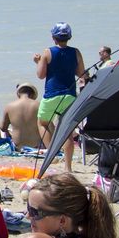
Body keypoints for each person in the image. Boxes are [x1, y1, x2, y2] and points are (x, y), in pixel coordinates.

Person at [35, 23, 86, 170]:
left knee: (42, 123)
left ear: (53, 37)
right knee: (67, 131)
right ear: (69, 37)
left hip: (52, 94)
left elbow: (40, 75)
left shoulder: (47, 52)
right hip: (69, 95)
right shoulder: (76, 52)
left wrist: (38, 62)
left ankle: (51, 151)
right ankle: (68, 167)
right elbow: (81, 73)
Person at [1, 83, 42, 149]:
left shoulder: (9, 106)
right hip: (36, 145)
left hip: (17, 145)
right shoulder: (39, 105)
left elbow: (3, 128)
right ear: (32, 94)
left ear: (19, 94)